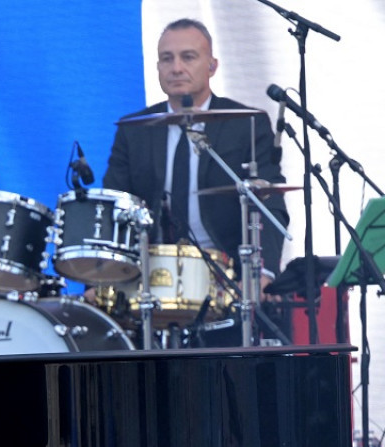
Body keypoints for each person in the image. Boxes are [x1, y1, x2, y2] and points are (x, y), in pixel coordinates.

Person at [103, 19, 288, 283]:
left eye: (188, 57)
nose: (176, 68)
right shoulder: (133, 129)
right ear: (157, 68)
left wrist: (263, 273)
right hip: (151, 274)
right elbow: (114, 206)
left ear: (212, 66)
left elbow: (271, 203)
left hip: (226, 274)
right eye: (167, 59)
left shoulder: (246, 123)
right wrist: (100, 279)